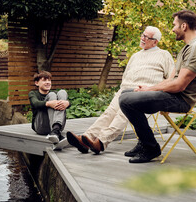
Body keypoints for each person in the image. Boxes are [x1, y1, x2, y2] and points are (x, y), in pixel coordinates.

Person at [119, 10, 196, 163]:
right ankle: (144, 142)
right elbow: (171, 79)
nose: (172, 29)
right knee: (126, 94)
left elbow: (179, 85)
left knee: (127, 101)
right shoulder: (187, 48)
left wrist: (149, 90)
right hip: (172, 95)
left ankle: (150, 148)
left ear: (184, 26)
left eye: (174, 25)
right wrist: (147, 89)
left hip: (182, 100)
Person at [66, 26, 175, 155]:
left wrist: (158, 92)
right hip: (125, 90)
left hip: (143, 93)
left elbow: (171, 78)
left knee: (121, 115)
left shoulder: (164, 55)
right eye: (142, 35)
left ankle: (101, 142)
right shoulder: (135, 56)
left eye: (146, 37)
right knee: (109, 113)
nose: (142, 38)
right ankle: (86, 139)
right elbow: (126, 75)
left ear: (155, 41)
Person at [28, 71, 70, 150]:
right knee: (52, 95)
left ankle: (56, 130)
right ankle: (56, 132)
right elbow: (36, 103)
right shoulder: (33, 93)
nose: (48, 82)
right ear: (37, 83)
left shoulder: (55, 94)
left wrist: (67, 103)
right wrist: (49, 103)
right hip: (40, 126)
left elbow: (65, 103)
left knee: (62, 92)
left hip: (57, 125)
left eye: (49, 80)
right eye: (44, 80)